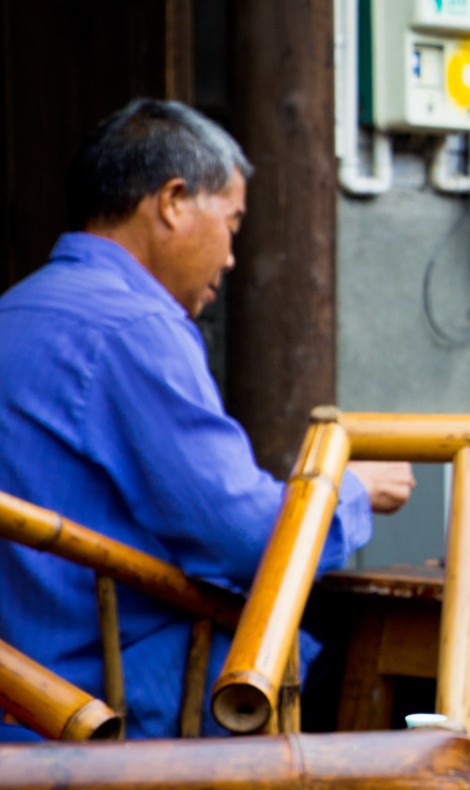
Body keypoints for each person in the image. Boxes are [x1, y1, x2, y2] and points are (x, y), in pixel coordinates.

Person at [0, 99, 415, 745]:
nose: (230, 258)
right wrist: (349, 491)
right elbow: (248, 537)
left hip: (19, 683)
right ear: (172, 201)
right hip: (106, 692)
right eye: (232, 222)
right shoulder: (135, 325)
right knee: (372, 670)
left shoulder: (15, 309)